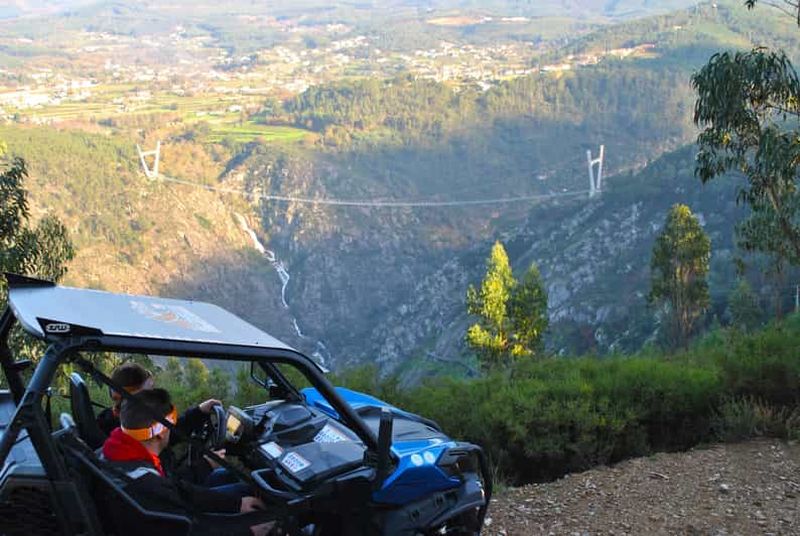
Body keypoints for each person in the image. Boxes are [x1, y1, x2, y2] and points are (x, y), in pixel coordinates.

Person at [101, 388, 277, 536]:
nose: (173, 428)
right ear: (162, 432)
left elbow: (177, 489)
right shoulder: (145, 484)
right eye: (171, 424)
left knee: (236, 488)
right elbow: (190, 528)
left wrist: (236, 504)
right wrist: (246, 530)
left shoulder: (115, 451)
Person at [97, 361, 224, 484]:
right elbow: (167, 488)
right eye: (150, 390)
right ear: (138, 396)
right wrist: (205, 466)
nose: (154, 395)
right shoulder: (131, 430)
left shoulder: (119, 427)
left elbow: (166, 432)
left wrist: (198, 412)